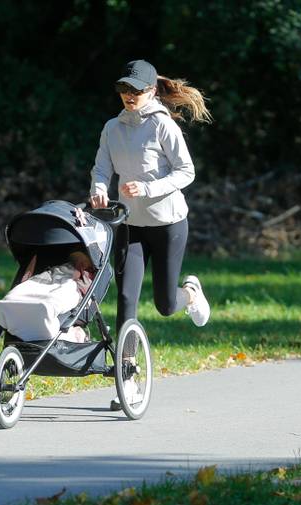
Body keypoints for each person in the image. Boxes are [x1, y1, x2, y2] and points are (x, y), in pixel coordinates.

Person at [90, 59, 212, 386]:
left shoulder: (162, 126)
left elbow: (186, 172)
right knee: (126, 298)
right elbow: (101, 169)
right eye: (123, 88)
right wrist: (99, 189)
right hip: (130, 225)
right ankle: (127, 372)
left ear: (152, 91)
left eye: (136, 90)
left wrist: (147, 188)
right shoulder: (112, 128)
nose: (129, 95)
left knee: (165, 304)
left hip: (168, 224)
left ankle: (191, 293)